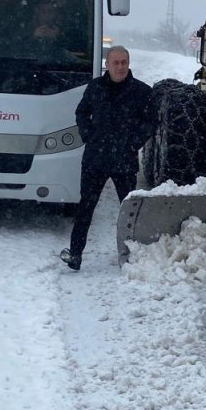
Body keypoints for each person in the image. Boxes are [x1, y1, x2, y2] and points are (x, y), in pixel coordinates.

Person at [60, 46, 154, 271]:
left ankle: (132, 256)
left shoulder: (142, 91)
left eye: (124, 62)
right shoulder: (95, 88)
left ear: (128, 63)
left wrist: (133, 142)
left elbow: (150, 122)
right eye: (116, 63)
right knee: (86, 208)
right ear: (108, 65)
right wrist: (88, 135)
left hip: (124, 160)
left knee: (129, 211)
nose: (120, 66)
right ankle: (75, 254)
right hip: (95, 158)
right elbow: (81, 112)